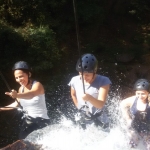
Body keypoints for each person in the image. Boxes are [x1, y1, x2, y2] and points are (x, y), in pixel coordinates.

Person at [1, 61, 50, 139]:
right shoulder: (21, 89)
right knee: (22, 142)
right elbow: (15, 104)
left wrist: (17, 95)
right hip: (28, 121)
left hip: (41, 121)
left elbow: (31, 95)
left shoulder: (37, 85)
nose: (19, 80)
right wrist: (1, 109)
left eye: (21, 76)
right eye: (16, 78)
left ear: (29, 74)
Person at [68, 53, 111, 129]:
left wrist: (89, 98)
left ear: (94, 72)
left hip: (100, 122)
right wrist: (78, 107)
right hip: (82, 121)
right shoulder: (74, 80)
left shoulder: (103, 81)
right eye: (81, 74)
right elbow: (73, 94)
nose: (84, 77)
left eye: (87, 75)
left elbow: (100, 104)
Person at [120, 79, 150, 149]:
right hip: (134, 126)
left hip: (148, 128)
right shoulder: (132, 100)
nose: (140, 96)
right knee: (132, 144)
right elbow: (122, 104)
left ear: (148, 92)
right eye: (138, 93)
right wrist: (127, 118)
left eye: (143, 93)